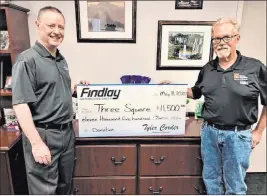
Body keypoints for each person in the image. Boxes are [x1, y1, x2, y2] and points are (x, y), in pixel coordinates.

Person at [160, 17, 266, 194]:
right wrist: (173, 88)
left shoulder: (254, 67)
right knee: (211, 179)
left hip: (238, 136)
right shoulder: (207, 69)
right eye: (216, 39)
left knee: (235, 184)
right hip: (209, 133)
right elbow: (196, 93)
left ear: (237, 38)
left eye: (226, 37)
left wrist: (259, 131)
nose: (220, 43)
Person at [11, 6, 89, 195]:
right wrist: (37, 144)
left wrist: (74, 89)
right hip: (44, 135)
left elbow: (50, 91)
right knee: (45, 191)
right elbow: (20, 104)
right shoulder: (27, 60)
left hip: (66, 133)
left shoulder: (60, 59)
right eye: (51, 25)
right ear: (38, 25)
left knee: (65, 186)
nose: (57, 31)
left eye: (61, 27)